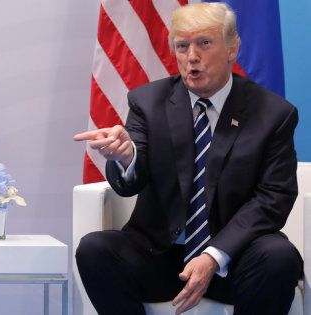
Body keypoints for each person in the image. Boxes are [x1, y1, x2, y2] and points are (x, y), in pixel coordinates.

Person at [74, 2, 301, 315]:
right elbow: (131, 180)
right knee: (94, 250)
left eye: (204, 43)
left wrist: (214, 255)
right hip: (160, 255)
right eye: (182, 46)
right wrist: (127, 159)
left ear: (232, 49)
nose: (192, 56)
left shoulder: (273, 114)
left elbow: (274, 198)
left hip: (233, 259)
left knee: (280, 257)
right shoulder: (147, 102)